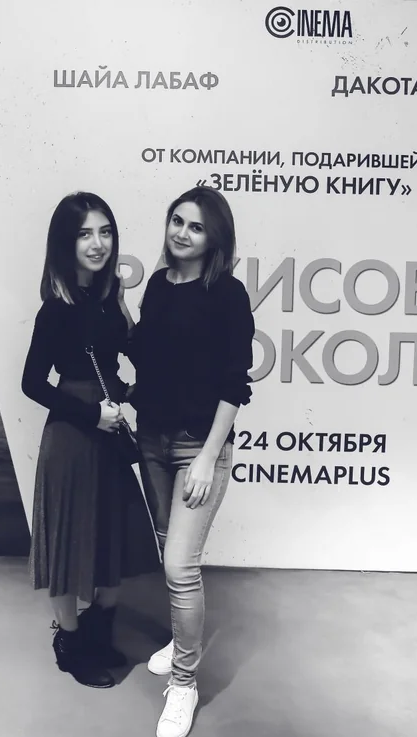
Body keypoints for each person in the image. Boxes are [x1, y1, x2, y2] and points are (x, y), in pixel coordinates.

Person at [125, 187, 255, 737]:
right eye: (176, 221)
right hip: (151, 440)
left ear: (214, 237)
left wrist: (206, 458)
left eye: (196, 226)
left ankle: (184, 684)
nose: (182, 232)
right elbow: (150, 361)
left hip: (198, 448)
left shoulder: (227, 294)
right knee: (166, 550)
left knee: (181, 566)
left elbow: (234, 384)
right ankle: (181, 639)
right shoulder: (158, 285)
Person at [22, 192, 162, 689]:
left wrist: (125, 395)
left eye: (105, 232)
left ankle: (100, 631)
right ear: (66, 242)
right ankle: (70, 642)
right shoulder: (56, 309)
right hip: (72, 437)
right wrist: (92, 414)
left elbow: (121, 362)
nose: (97, 243)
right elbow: (32, 383)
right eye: (85, 234)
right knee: (68, 544)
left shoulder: (107, 300)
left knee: (112, 536)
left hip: (107, 430)